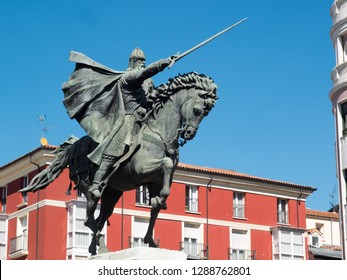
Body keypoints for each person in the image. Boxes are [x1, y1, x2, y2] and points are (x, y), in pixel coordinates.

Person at [62, 48, 175, 199]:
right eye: (140, 61)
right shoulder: (128, 77)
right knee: (115, 147)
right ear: (133, 62)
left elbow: (150, 98)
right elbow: (144, 73)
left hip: (144, 120)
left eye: (144, 61)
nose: (143, 63)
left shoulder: (145, 83)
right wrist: (163, 63)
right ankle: (96, 183)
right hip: (128, 120)